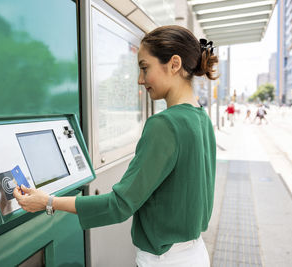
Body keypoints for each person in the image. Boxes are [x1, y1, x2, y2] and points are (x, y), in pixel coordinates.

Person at [13, 25, 217, 267]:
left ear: (174, 64)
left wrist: (48, 202)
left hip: (166, 260)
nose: (140, 80)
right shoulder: (201, 118)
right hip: (194, 254)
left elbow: (119, 205)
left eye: (144, 68)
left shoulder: (165, 124)